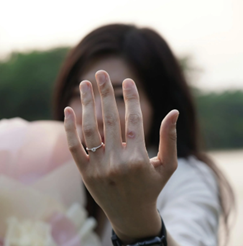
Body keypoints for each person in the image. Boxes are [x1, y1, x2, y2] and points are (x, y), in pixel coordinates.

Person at [52, 24, 234, 245]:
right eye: (81, 94)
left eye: (118, 96)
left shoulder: (189, 178)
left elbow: (190, 237)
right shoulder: (50, 177)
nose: (98, 116)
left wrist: (137, 222)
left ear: (158, 105)